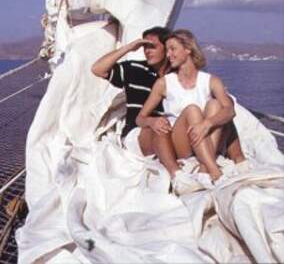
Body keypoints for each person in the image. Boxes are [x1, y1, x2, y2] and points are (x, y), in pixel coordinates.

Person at [136, 29, 247, 188]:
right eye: (167, 50)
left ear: (188, 49)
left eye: (173, 49)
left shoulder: (211, 81)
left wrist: (207, 123)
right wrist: (151, 121)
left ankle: (204, 169)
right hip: (180, 142)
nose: (168, 55)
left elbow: (230, 111)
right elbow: (140, 118)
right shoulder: (164, 83)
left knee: (215, 105)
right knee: (192, 110)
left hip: (205, 138)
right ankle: (215, 172)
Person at [91, 27, 186, 182]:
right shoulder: (134, 69)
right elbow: (97, 69)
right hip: (137, 133)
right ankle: (178, 177)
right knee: (159, 129)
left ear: (167, 49)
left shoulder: (176, 77)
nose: (147, 51)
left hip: (169, 129)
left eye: (152, 46)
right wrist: (129, 47)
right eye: (144, 46)